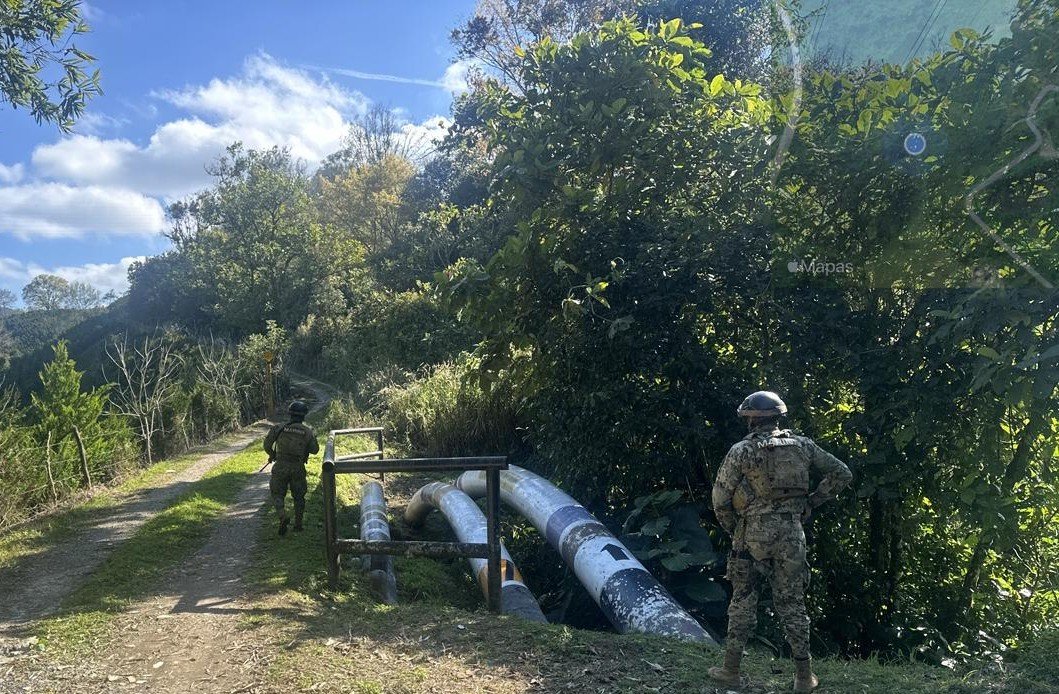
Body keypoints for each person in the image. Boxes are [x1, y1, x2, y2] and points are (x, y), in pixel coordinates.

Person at [709, 391, 852, 693]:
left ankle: (730, 670)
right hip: (791, 535)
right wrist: (812, 502)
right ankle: (804, 677)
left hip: (751, 536)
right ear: (778, 416)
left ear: (751, 418)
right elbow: (842, 473)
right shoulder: (803, 446)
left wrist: (735, 528)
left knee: (743, 600)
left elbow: (720, 500)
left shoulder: (741, 451)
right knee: (792, 603)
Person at [264, 400, 319, 536]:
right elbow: (315, 450)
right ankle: (298, 525)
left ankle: (282, 515)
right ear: (304, 416)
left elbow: (266, 444)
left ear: (290, 414)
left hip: (280, 465)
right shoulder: (307, 431)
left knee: (277, 493)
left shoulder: (278, 428)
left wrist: (273, 454)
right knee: (299, 496)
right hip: (297, 467)